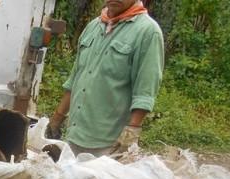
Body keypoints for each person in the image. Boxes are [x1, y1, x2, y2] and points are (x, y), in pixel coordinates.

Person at [47, 0, 164, 156]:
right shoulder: (94, 26)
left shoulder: (148, 32)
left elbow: (145, 91)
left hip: (108, 144)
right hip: (74, 136)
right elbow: (75, 78)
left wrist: (130, 134)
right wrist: (56, 119)